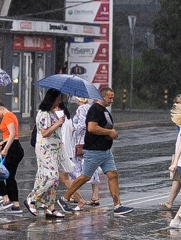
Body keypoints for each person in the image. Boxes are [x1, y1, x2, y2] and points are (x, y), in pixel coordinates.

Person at [64, 86, 132, 215]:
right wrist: (109, 132)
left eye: (112, 98)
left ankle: (117, 206)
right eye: (109, 98)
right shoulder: (95, 109)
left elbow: (106, 126)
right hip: (94, 150)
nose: (112, 100)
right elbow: (91, 128)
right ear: (102, 97)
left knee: (113, 175)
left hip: (105, 151)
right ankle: (64, 198)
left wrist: (111, 133)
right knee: (85, 177)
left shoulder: (105, 111)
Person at [28, 89, 68, 218]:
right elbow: (45, 132)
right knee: (52, 177)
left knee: (50, 180)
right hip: (45, 149)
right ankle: (32, 198)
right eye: (57, 99)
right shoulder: (43, 113)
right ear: (51, 99)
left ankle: (50, 207)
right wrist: (58, 123)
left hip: (54, 149)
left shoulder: (52, 112)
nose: (59, 101)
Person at [0, 96, 23, 213]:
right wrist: (2, 143)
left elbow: (13, 133)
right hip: (14, 146)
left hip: (12, 148)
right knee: (9, 177)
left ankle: (6, 199)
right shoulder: (11, 115)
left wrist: (5, 149)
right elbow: (12, 135)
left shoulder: (8, 116)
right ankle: (15, 204)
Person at [69, 96, 101, 206]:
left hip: (81, 141)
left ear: (79, 99)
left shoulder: (81, 108)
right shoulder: (91, 108)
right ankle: (95, 196)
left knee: (76, 167)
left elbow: (82, 124)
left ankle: (74, 195)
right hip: (91, 141)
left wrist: (74, 127)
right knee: (92, 168)